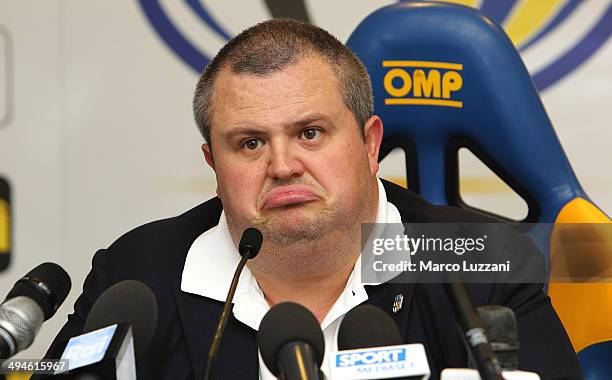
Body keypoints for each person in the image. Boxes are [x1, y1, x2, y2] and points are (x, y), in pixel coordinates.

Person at [41, 19, 582, 379]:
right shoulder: (138, 274)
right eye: (250, 143)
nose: (281, 165)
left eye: (310, 133)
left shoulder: (478, 264)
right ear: (214, 165)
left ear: (370, 145)